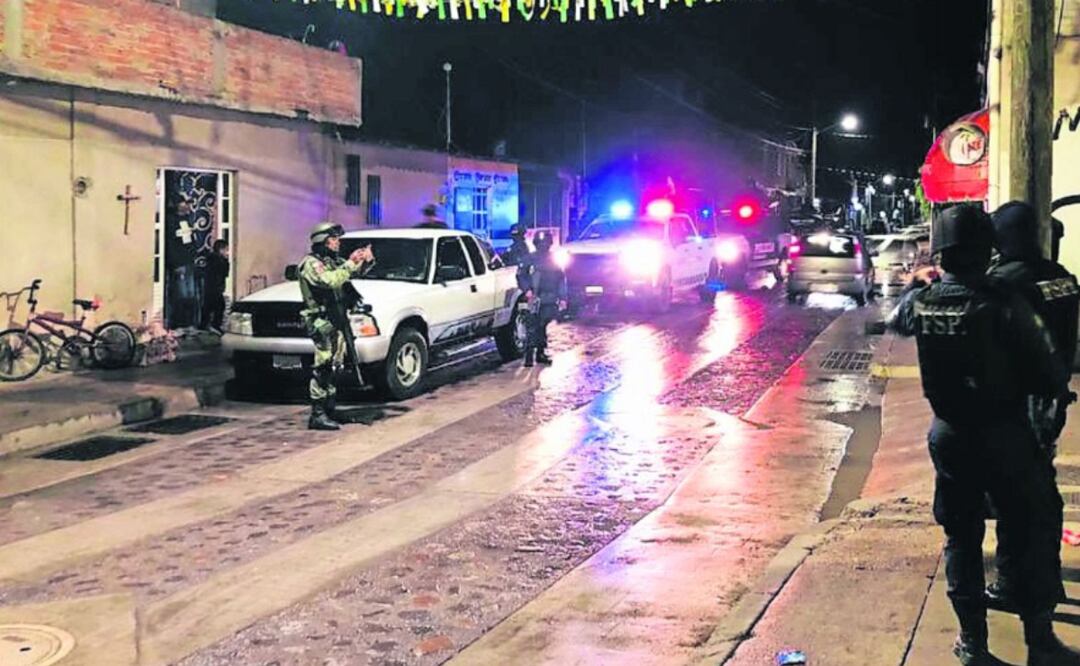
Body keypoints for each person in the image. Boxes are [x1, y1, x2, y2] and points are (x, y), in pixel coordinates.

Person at [888, 205, 1077, 666]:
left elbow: (895, 320)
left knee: (961, 537)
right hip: (1005, 434)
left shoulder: (923, 300)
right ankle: (1039, 639)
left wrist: (919, 282)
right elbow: (1049, 372)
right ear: (985, 249)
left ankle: (973, 643)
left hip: (949, 435)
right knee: (1029, 528)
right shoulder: (1004, 301)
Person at [986, 202, 1079, 613]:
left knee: (1012, 494)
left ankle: (1010, 581)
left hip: (1017, 403)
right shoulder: (1063, 279)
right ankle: (1049, 576)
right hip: (1052, 400)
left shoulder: (1005, 282)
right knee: (1044, 491)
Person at [298, 222, 374, 431]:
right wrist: (350, 263)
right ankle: (318, 413)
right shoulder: (311, 264)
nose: (337, 242)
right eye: (333, 239)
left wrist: (363, 260)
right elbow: (330, 281)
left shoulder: (331, 261)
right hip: (322, 321)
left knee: (335, 365)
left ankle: (330, 408)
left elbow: (353, 274)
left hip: (337, 319)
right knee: (323, 365)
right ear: (322, 241)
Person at [517, 231, 566, 368]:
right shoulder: (529, 259)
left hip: (549, 297)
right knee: (532, 326)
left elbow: (561, 279)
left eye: (545, 243)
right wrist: (527, 290)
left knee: (542, 325)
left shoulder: (553, 260)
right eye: (541, 243)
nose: (543, 246)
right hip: (534, 298)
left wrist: (562, 297)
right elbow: (521, 276)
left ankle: (540, 352)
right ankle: (529, 356)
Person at [200, 239, 229, 334]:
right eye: (226, 250)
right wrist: (226, 261)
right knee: (220, 306)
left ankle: (204, 325)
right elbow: (224, 273)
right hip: (215, 287)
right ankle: (215, 325)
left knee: (208, 307)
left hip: (210, 287)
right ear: (220, 250)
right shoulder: (220, 261)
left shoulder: (210, 259)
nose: (227, 252)